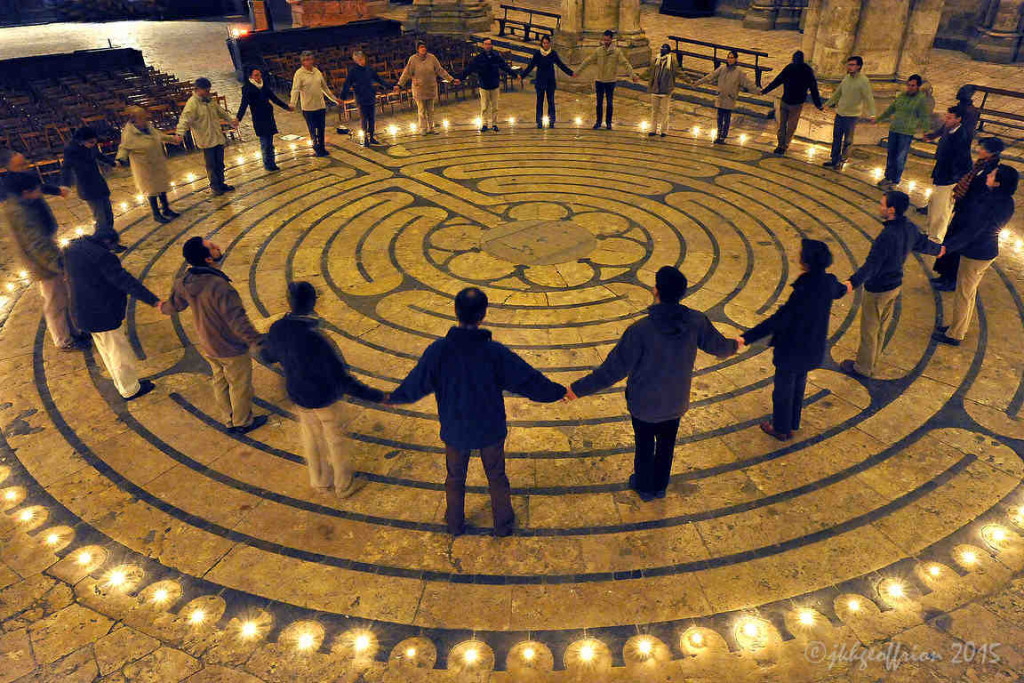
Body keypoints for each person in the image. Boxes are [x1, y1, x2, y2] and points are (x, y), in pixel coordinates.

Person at [387, 287, 565, 537]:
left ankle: (454, 523)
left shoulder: (439, 350)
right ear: (483, 314)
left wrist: (393, 397)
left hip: (454, 428)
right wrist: (557, 392)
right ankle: (502, 524)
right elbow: (528, 380)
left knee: (454, 478)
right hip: (489, 428)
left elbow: (417, 381)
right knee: (496, 476)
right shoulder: (495, 352)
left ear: (455, 311)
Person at [565, 266, 739, 501]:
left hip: (644, 405)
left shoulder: (640, 331)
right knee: (667, 445)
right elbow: (719, 346)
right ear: (682, 293)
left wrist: (577, 389)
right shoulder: (696, 321)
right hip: (676, 401)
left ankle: (644, 486)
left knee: (644, 445)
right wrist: (735, 345)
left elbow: (611, 371)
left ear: (655, 290)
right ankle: (660, 486)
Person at [261, 282, 387, 497]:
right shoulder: (317, 338)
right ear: (313, 303)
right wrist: (376, 395)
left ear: (288, 302)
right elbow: (341, 378)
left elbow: (268, 355)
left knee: (311, 438)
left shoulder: (278, 328)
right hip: (323, 397)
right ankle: (343, 486)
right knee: (336, 440)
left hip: (297, 393)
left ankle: (319, 481)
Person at [741, 239, 846, 441]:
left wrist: (746, 338)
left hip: (792, 349)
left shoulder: (803, 291)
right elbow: (840, 290)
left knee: (783, 390)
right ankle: (793, 422)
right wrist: (850, 284)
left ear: (806, 262)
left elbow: (779, 319)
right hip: (812, 347)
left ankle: (780, 428)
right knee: (799, 383)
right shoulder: (829, 282)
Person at [160, 237, 266, 434]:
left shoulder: (184, 281)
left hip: (208, 343)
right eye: (212, 247)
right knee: (240, 384)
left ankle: (228, 418)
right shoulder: (220, 286)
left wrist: (162, 306)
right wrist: (257, 340)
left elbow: (175, 306)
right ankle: (243, 421)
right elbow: (237, 320)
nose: (217, 246)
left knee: (220, 380)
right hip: (230, 346)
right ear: (208, 259)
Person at [840, 191, 944, 379]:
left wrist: (851, 283)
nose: (879, 207)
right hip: (894, 286)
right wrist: (939, 250)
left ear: (891, 210)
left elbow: (872, 265)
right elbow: (922, 243)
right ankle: (872, 361)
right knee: (880, 327)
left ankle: (863, 367)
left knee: (870, 330)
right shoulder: (909, 227)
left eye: (882, 204)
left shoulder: (887, 236)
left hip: (878, 289)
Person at [63, 231, 160, 400]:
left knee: (106, 350)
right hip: (102, 312)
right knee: (119, 352)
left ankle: (122, 383)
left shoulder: (72, 248)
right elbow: (126, 281)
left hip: (81, 311)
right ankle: (130, 389)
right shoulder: (102, 256)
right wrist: (154, 301)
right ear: (108, 242)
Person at [933, 165, 1018, 346]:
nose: (988, 175)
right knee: (968, 292)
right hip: (985, 251)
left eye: (993, 175)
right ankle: (958, 327)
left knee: (964, 293)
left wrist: (947, 247)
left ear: (997, 183)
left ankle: (955, 334)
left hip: (976, 254)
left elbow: (974, 231)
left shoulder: (992, 203)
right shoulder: (1005, 200)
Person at [2, 173, 87, 351]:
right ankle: (63, 339)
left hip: (48, 257)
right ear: (26, 192)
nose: (40, 192)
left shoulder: (26, 204)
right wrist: (58, 266)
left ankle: (74, 330)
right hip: (42, 264)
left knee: (65, 296)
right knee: (55, 301)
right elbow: (36, 244)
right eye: (36, 189)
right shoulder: (20, 213)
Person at [932, 136, 1004, 291]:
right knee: (951, 239)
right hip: (964, 209)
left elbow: (982, 193)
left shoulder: (991, 170)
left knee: (957, 245)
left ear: (991, 153)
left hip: (970, 213)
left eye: (982, 148)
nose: (979, 150)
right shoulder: (980, 165)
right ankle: (944, 275)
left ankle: (951, 280)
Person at [116, 106, 183, 224]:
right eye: (142, 118)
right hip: (144, 167)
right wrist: (120, 160)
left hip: (157, 162)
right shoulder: (129, 134)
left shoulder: (148, 127)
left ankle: (166, 209)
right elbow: (124, 148)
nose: (145, 119)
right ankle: (156, 213)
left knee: (161, 186)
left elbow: (159, 135)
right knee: (151, 190)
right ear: (134, 120)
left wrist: (173, 139)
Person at [60, 126, 123, 251]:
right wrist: (65, 185)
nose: (94, 144)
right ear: (81, 141)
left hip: (99, 183)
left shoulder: (91, 146)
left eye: (95, 142)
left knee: (109, 215)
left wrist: (112, 163)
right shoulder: (71, 150)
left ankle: (110, 241)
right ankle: (102, 245)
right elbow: (66, 168)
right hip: (87, 187)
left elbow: (98, 155)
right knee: (101, 219)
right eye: (91, 142)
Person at [176, 77, 239, 196]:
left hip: (217, 136)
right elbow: (185, 119)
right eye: (206, 90)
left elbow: (221, 112)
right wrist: (180, 134)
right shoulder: (192, 104)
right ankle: (215, 186)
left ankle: (221, 183)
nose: (208, 93)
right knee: (211, 165)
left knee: (220, 163)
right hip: (206, 139)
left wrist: (231, 120)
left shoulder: (209, 100)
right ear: (198, 89)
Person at [922, 106, 973, 241]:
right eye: (946, 116)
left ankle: (936, 238)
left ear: (958, 119)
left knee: (942, 208)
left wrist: (953, 178)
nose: (946, 120)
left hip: (950, 177)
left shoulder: (962, 135)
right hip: (941, 173)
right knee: (934, 204)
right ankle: (929, 231)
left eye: (949, 118)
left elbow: (961, 159)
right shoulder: (949, 127)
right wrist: (930, 136)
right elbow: (940, 132)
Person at [573, 30, 639, 130]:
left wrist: (633, 75)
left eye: (607, 40)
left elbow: (625, 63)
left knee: (609, 103)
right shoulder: (598, 50)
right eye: (604, 40)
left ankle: (608, 123)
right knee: (599, 103)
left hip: (610, 81)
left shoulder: (617, 52)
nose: (605, 42)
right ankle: (598, 122)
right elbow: (588, 60)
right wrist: (577, 71)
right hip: (599, 80)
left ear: (611, 40)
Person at [760, 50, 823, 156]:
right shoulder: (807, 70)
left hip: (788, 102)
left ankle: (781, 145)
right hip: (794, 103)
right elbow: (814, 89)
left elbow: (777, 81)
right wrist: (818, 104)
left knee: (784, 125)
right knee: (789, 127)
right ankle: (783, 145)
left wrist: (765, 90)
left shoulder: (791, 68)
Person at [876, 74, 931, 189]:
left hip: (906, 132)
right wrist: (879, 119)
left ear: (918, 87)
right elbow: (891, 109)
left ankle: (895, 180)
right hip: (894, 129)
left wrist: (926, 131)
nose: (910, 88)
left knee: (900, 157)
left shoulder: (921, 100)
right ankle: (888, 177)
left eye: (913, 86)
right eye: (909, 85)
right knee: (891, 155)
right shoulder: (901, 96)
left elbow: (924, 116)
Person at [822, 56, 876, 169]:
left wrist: (872, 113)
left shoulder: (863, 81)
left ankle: (842, 160)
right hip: (840, 113)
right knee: (836, 137)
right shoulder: (846, 78)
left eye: (852, 65)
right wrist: (827, 104)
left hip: (852, 115)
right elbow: (838, 93)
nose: (849, 67)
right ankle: (834, 159)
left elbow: (868, 98)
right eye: (849, 64)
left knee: (848, 140)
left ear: (858, 66)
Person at [395, 41, 459, 135]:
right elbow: (406, 73)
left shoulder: (432, 58)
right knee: (421, 110)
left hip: (430, 88)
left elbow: (440, 70)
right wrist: (399, 84)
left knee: (430, 110)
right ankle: (423, 128)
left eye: (424, 47)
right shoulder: (412, 59)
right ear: (417, 49)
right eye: (421, 47)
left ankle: (431, 128)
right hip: (419, 89)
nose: (423, 49)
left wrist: (451, 80)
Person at [695, 50, 756, 144]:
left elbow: (747, 83)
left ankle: (723, 136)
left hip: (729, 98)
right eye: (728, 57)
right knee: (719, 117)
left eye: (732, 58)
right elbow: (711, 76)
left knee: (726, 118)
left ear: (735, 59)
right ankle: (719, 134)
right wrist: (698, 82)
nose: (730, 60)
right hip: (721, 97)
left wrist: (757, 91)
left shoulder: (739, 72)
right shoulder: (722, 68)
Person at [237, 66, 292, 171]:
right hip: (259, 118)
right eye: (256, 75)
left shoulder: (264, 85)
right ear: (251, 76)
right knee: (265, 143)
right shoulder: (247, 88)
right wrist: (238, 119)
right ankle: (267, 163)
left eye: (259, 75)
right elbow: (244, 104)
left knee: (270, 142)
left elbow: (274, 98)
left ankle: (272, 163)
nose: (259, 77)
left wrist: (286, 107)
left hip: (268, 116)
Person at [461, 38, 518, 133]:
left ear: (491, 45)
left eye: (489, 44)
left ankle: (495, 124)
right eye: (485, 44)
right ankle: (484, 124)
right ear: (483, 45)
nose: (487, 46)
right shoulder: (479, 58)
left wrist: (515, 75)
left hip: (494, 85)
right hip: (484, 85)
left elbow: (505, 67)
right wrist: (460, 78)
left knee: (495, 107)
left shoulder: (496, 56)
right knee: (484, 107)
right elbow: (469, 68)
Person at [290, 51, 338, 157]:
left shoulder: (317, 71)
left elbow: (324, 87)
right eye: (307, 60)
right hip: (308, 107)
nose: (309, 62)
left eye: (311, 59)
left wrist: (334, 99)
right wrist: (292, 103)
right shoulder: (299, 74)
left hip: (320, 105)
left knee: (321, 128)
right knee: (313, 129)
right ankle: (316, 148)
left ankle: (322, 147)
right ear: (302, 62)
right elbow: (295, 90)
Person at [520, 34, 573, 128]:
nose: (545, 45)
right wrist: (522, 75)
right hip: (540, 80)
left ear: (550, 44)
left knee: (551, 102)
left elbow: (561, 65)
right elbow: (531, 66)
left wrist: (571, 73)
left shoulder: (553, 53)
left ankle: (551, 121)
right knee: (539, 102)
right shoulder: (537, 54)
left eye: (547, 43)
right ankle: (539, 122)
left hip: (550, 81)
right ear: (542, 44)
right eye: (544, 43)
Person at [341, 51, 390, 147]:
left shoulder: (369, 69)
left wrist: (390, 86)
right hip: (360, 97)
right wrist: (342, 97)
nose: (361, 61)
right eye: (359, 60)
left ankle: (371, 137)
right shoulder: (353, 71)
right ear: (356, 61)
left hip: (370, 96)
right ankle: (365, 138)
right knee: (364, 119)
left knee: (371, 118)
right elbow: (347, 84)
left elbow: (379, 79)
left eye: (362, 59)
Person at [0, 149, 70, 201]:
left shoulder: (25, 175)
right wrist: (58, 191)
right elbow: (38, 188)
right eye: (15, 154)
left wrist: (58, 191)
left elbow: (39, 187)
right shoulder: (12, 180)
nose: (20, 155)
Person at [647, 44, 678, 137]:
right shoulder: (656, 60)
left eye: (664, 49)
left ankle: (664, 130)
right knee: (654, 111)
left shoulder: (672, 61)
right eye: (661, 48)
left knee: (664, 111)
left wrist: (690, 81)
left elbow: (678, 72)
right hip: (655, 89)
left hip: (665, 90)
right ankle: (653, 129)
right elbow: (650, 70)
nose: (662, 50)